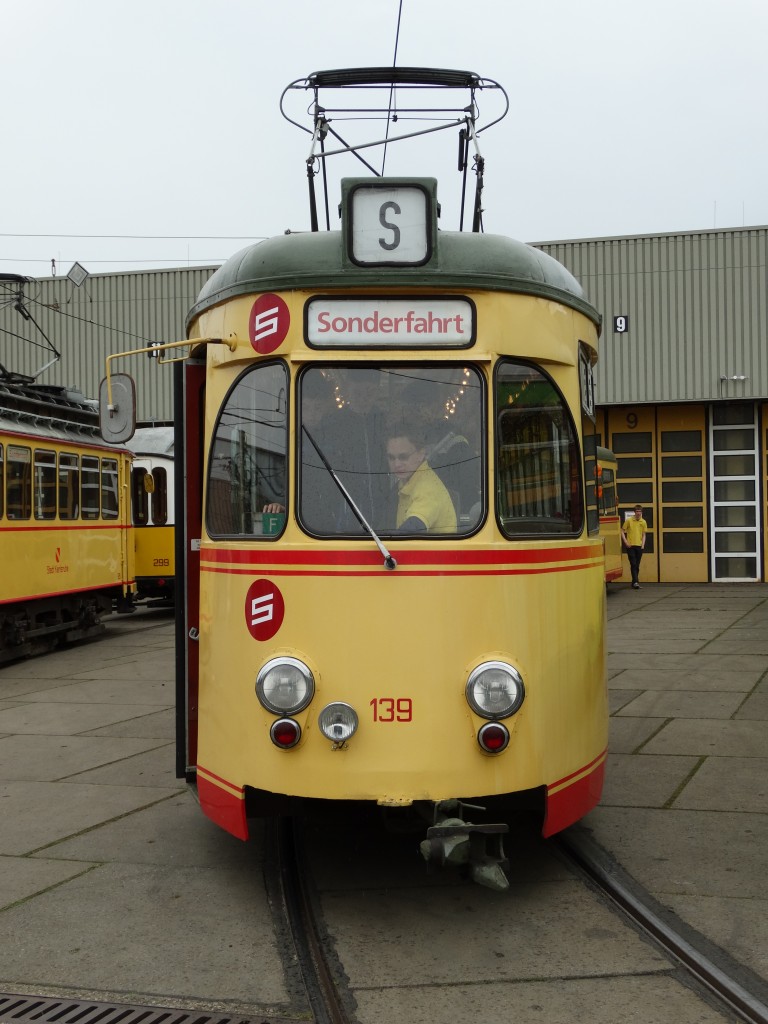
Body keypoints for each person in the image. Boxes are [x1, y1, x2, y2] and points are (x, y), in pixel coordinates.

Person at [386, 418, 457, 534]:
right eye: (391, 458)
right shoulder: (404, 483)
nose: (396, 464)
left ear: (421, 454)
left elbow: (411, 529)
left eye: (403, 457)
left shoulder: (428, 489)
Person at [622, 504, 648, 589]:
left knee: (637, 564)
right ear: (634, 512)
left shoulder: (643, 522)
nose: (638, 513)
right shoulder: (629, 520)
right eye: (637, 511)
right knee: (633, 563)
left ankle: (634, 582)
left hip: (639, 546)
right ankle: (636, 581)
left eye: (640, 511)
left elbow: (644, 534)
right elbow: (622, 531)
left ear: (641, 512)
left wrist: (643, 545)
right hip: (631, 545)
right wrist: (626, 542)